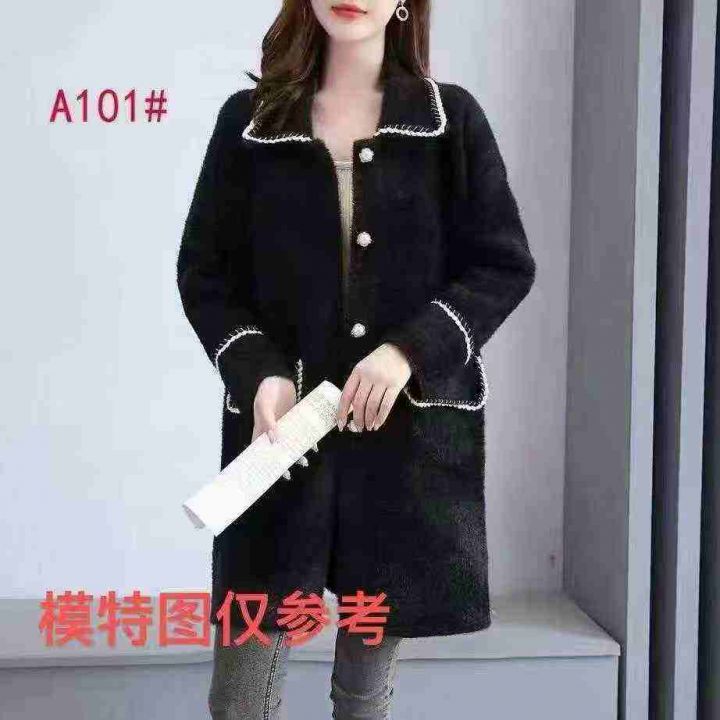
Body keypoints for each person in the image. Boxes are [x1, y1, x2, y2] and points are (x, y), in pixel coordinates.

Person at [176, 0, 537, 717]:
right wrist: (259, 372)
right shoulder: (250, 121)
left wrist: (408, 352)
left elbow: (503, 265)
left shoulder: (448, 121)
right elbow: (205, 275)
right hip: (281, 439)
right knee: (240, 700)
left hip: (399, 442)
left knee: (364, 698)